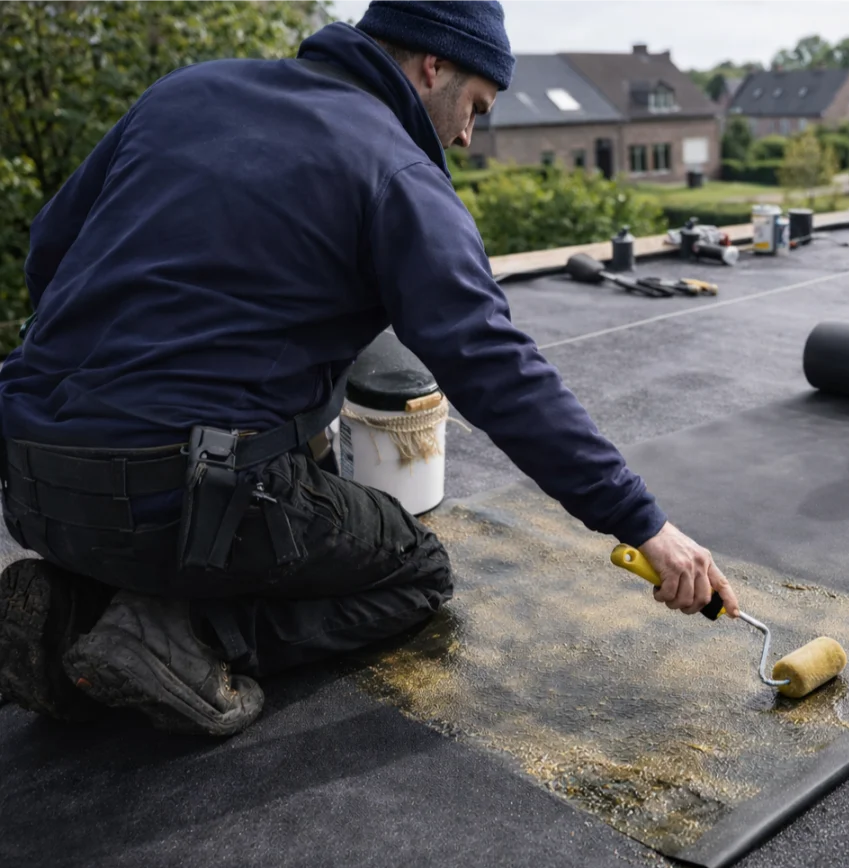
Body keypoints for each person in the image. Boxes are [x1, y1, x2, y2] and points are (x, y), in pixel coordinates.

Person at [0, 0, 741, 737]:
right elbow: (496, 367)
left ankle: (72, 616)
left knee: (284, 434)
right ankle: (183, 636)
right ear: (433, 64)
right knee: (414, 570)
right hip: (173, 500)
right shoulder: (396, 171)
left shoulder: (187, 91)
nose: (465, 134)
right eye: (475, 107)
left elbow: (49, 250)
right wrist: (643, 524)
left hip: (31, 482)